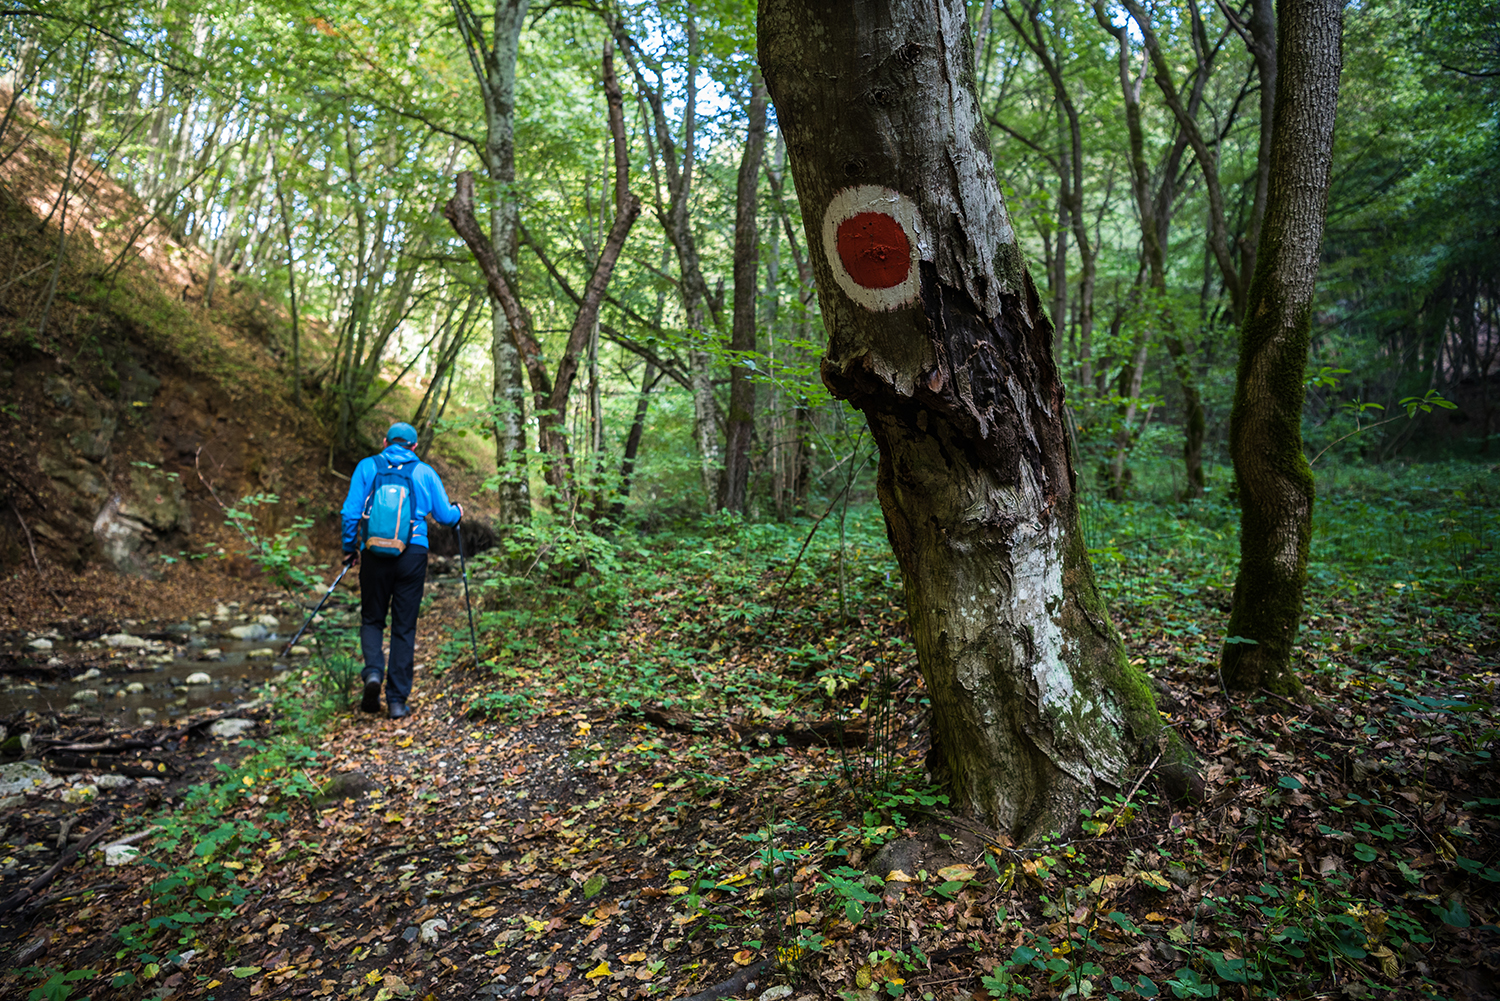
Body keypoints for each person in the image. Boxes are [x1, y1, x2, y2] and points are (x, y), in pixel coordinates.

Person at [340, 422, 463, 719]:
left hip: (374, 553)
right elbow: (445, 516)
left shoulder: (368, 466)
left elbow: (350, 512)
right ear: (414, 446)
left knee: (372, 618)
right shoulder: (424, 472)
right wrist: (458, 512)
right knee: (404, 627)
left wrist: (349, 548)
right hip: (413, 553)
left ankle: (372, 673)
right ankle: (396, 701)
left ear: (385, 442)